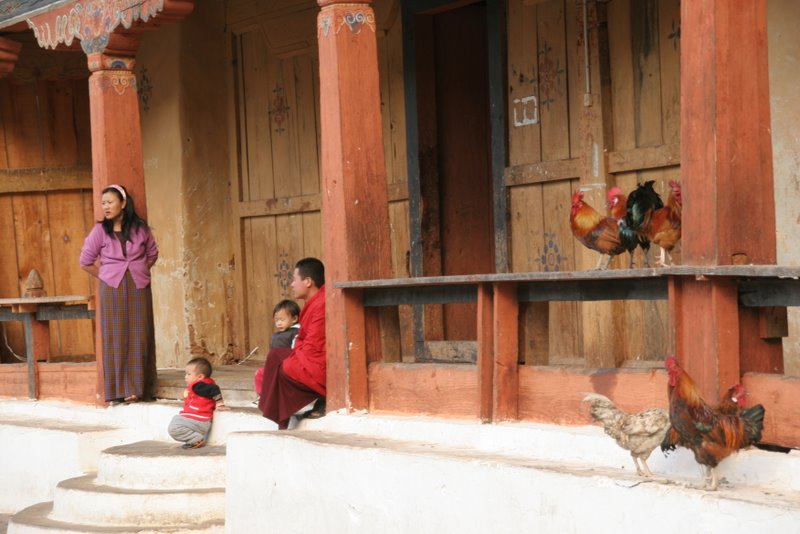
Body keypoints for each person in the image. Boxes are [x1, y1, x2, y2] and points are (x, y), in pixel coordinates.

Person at [79, 184, 158, 404]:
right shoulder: (99, 231)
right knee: (116, 336)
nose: (105, 206)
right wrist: (106, 275)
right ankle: (116, 391)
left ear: (123, 204)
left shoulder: (140, 228)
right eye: (103, 203)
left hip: (139, 288)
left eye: (110, 202)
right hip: (112, 289)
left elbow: (152, 253)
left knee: (140, 335)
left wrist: (139, 270)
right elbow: (85, 261)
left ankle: (139, 389)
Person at [258, 257, 326, 429]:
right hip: (307, 353)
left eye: (295, 279)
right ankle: (280, 420)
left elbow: (314, 347)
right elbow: (304, 340)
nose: (291, 284)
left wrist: (293, 358)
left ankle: (281, 423)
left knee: (284, 366)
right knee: (275, 356)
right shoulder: (313, 302)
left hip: (318, 361)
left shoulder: (321, 304)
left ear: (308, 281)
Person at [168, 357, 229, 449]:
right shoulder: (201, 385)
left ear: (200, 377)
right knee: (176, 420)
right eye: (186, 374)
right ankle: (194, 438)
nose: (185, 377)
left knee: (174, 428)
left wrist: (220, 403)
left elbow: (214, 389)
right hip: (197, 420)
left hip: (199, 421)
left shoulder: (199, 386)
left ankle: (195, 439)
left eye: (189, 374)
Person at [254, 299, 301, 400]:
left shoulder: (296, 333)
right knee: (260, 373)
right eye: (276, 320)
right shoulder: (277, 335)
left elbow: (296, 351)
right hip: (275, 365)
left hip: (289, 366)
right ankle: (262, 396)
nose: (279, 323)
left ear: (294, 319)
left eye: (282, 320)